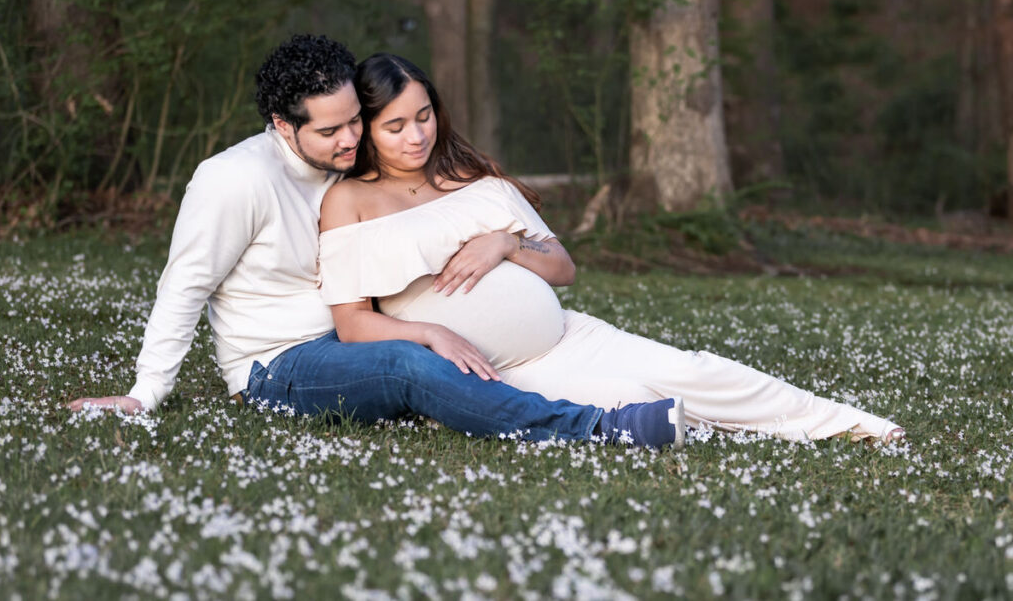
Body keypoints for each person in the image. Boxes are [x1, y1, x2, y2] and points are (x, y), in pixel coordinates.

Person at [67, 34, 687, 451]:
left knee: (433, 355)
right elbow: (185, 284)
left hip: (356, 335)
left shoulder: (353, 168)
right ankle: (602, 429)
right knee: (410, 364)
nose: (349, 140)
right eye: (331, 130)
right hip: (281, 364)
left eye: (355, 122)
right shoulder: (234, 180)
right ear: (284, 125)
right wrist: (145, 393)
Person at [318, 53, 906, 444]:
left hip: (571, 333)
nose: (417, 135)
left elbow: (562, 267)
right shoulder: (351, 202)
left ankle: (853, 426)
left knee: (696, 372)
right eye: (395, 126)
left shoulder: (474, 180)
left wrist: (504, 243)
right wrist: (428, 333)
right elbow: (351, 325)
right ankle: (800, 430)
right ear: (364, 130)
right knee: (655, 400)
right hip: (507, 369)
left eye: (424, 117)